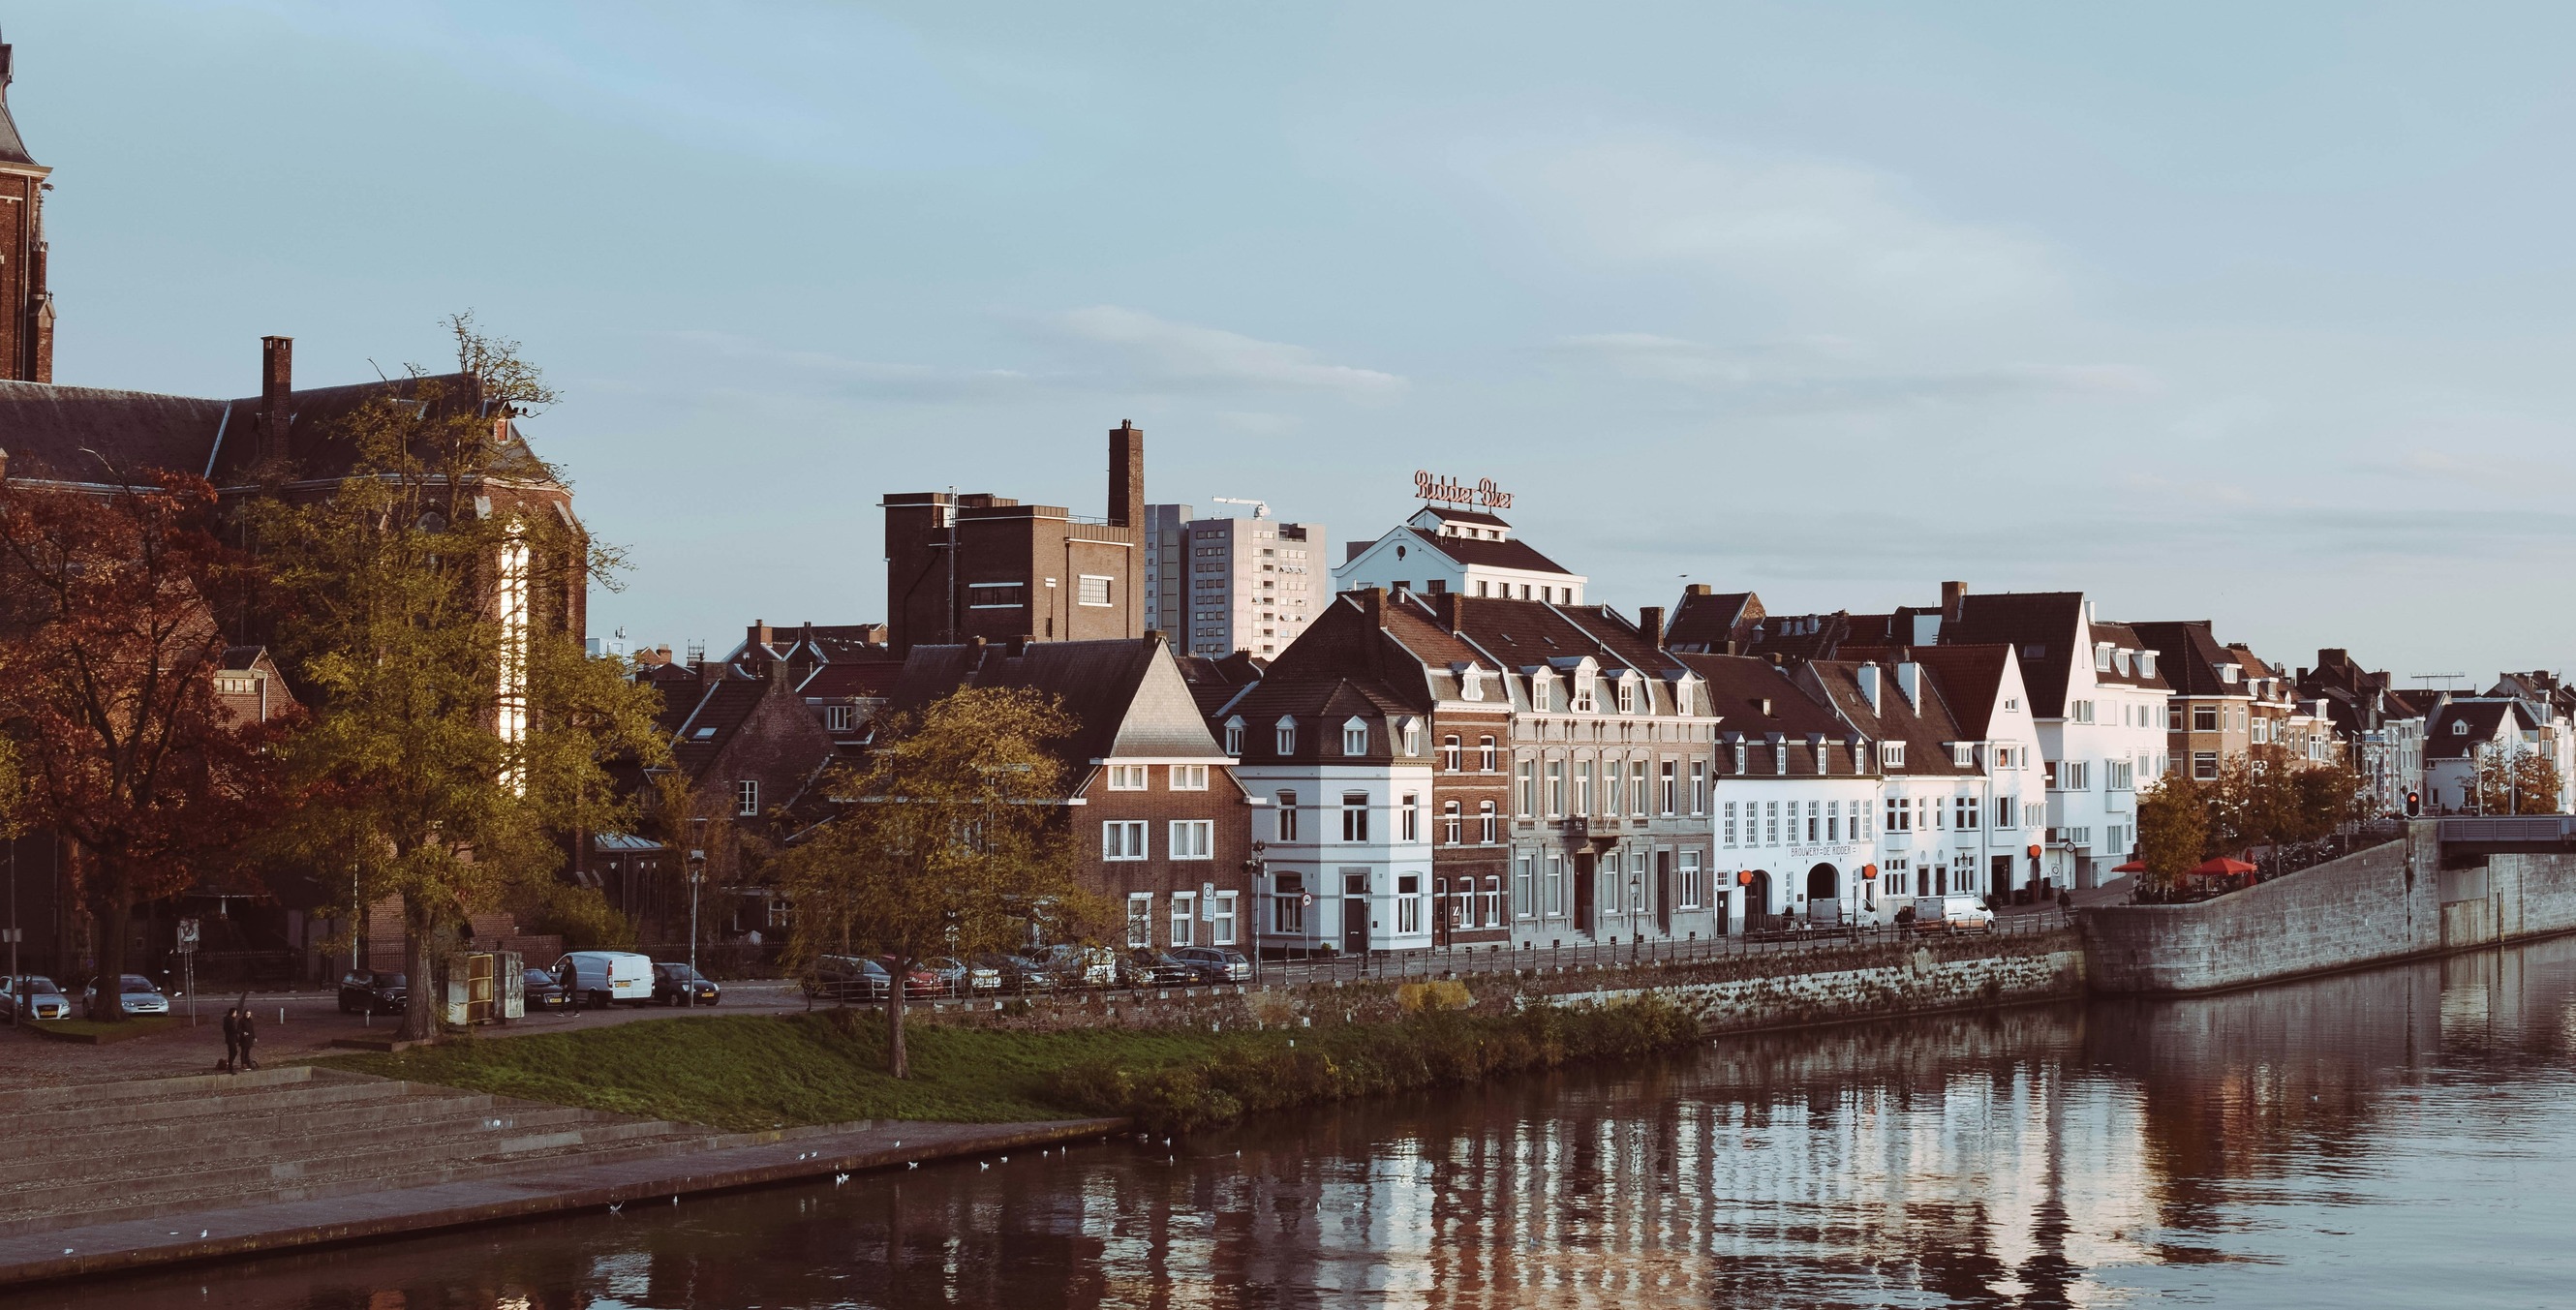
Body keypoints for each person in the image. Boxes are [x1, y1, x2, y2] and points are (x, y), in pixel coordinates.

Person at [236, 1005, 259, 1071]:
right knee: (244, 1051)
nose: (248, 1015)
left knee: (248, 1051)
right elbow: (239, 1029)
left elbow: (252, 1029)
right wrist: (243, 1033)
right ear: (244, 1014)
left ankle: (247, 1062)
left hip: (249, 1038)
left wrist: (254, 1037)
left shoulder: (250, 1020)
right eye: (247, 1014)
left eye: (249, 1014)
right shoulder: (241, 1020)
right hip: (244, 1039)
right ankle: (243, 1063)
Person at [220, 1006, 240, 1074]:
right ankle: (230, 1066)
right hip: (231, 1038)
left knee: (232, 1052)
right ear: (232, 1013)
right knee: (233, 1052)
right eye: (235, 1013)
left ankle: (230, 1065)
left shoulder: (228, 1019)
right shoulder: (231, 1020)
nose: (236, 1014)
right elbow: (233, 1029)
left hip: (230, 1038)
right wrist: (241, 1032)